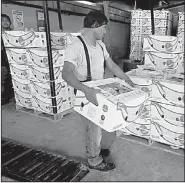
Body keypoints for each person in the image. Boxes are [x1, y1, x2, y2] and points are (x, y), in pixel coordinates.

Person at [62, 10, 135, 171]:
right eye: (103, 27)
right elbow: (66, 73)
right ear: (95, 25)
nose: (105, 31)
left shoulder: (100, 45)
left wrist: (126, 78)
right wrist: (85, 89)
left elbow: (111, 65)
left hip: (99, 89)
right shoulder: (76, 46)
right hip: (84, 92)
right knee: (92, 129)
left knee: (98, 124)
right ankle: (94, 159)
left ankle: (95, 150)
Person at [1, 14, 14, 105]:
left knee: (13, 77)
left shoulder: (14, 33)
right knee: (4, 78)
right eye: (2, 20)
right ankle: (4, 96)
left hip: (13, 58)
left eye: (7, 20)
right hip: (2, 58)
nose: (5, 22)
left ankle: (13, 95)